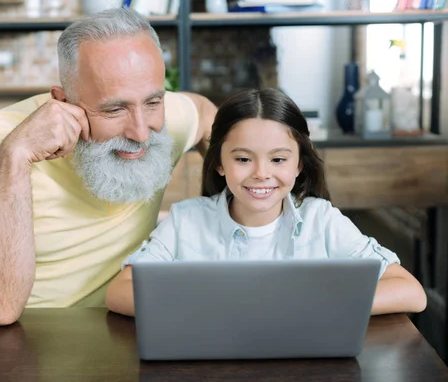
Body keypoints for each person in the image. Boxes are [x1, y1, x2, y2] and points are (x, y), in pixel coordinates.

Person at [0, 8, 217, 325]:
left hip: (104, 333)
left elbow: (208, 117)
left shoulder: (164, 121)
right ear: (63, 102)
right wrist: (17, 154)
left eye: (153, 102)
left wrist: (225, 213)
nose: (140, 132)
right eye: (114, 110)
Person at [105, 88, 427, 317]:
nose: (261, 174)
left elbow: (411, 293)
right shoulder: (186, 221)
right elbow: (120, 292)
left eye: (278, 159)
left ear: (299, 165)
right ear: (219, 162)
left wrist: (317, 304)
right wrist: (216, 305)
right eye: (243, 158)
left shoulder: (322, 221)